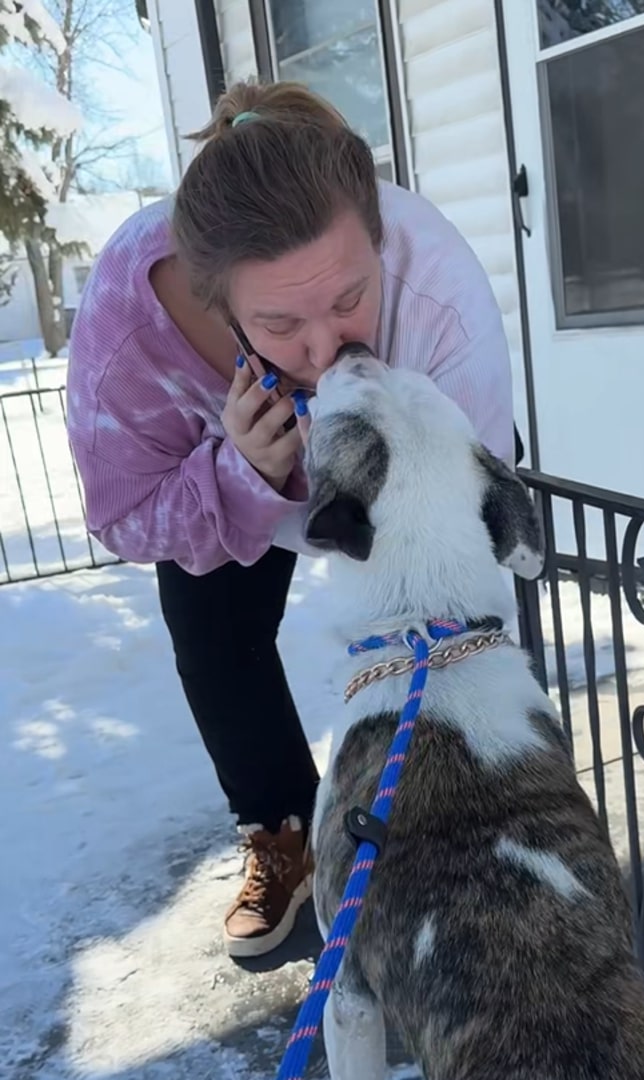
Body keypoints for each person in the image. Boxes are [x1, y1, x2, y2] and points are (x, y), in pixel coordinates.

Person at [66, 79, 518, 959]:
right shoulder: (131, 319)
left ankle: (487, 813)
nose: (327, 349)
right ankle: (281, 834)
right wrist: (240, 477)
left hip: (407, 481)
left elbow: (462, 534)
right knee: (211, 634)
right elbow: (122, 518)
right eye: (277, 321)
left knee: (466, 632)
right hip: (230, 486)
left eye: (351, 300)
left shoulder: (439, 292)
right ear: (215, 300)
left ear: (381, 242)